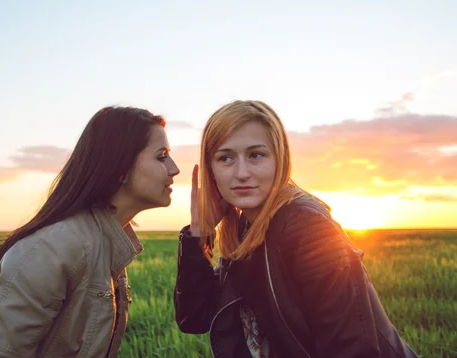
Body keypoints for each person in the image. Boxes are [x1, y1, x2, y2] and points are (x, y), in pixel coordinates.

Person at [174, 100, 419, 358]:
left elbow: (351, 348)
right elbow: (195, 319)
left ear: (280, 159)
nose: (242, 172)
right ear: (211, 171)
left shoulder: (306, 226)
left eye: (256, 155)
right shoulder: (246, 226)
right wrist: (199, 234)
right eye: (226, 158)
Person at [0, 106, 180, 358]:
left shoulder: (106, 242)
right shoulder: (53, 248)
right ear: (121, 165)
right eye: (162, 156)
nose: (174, 168)